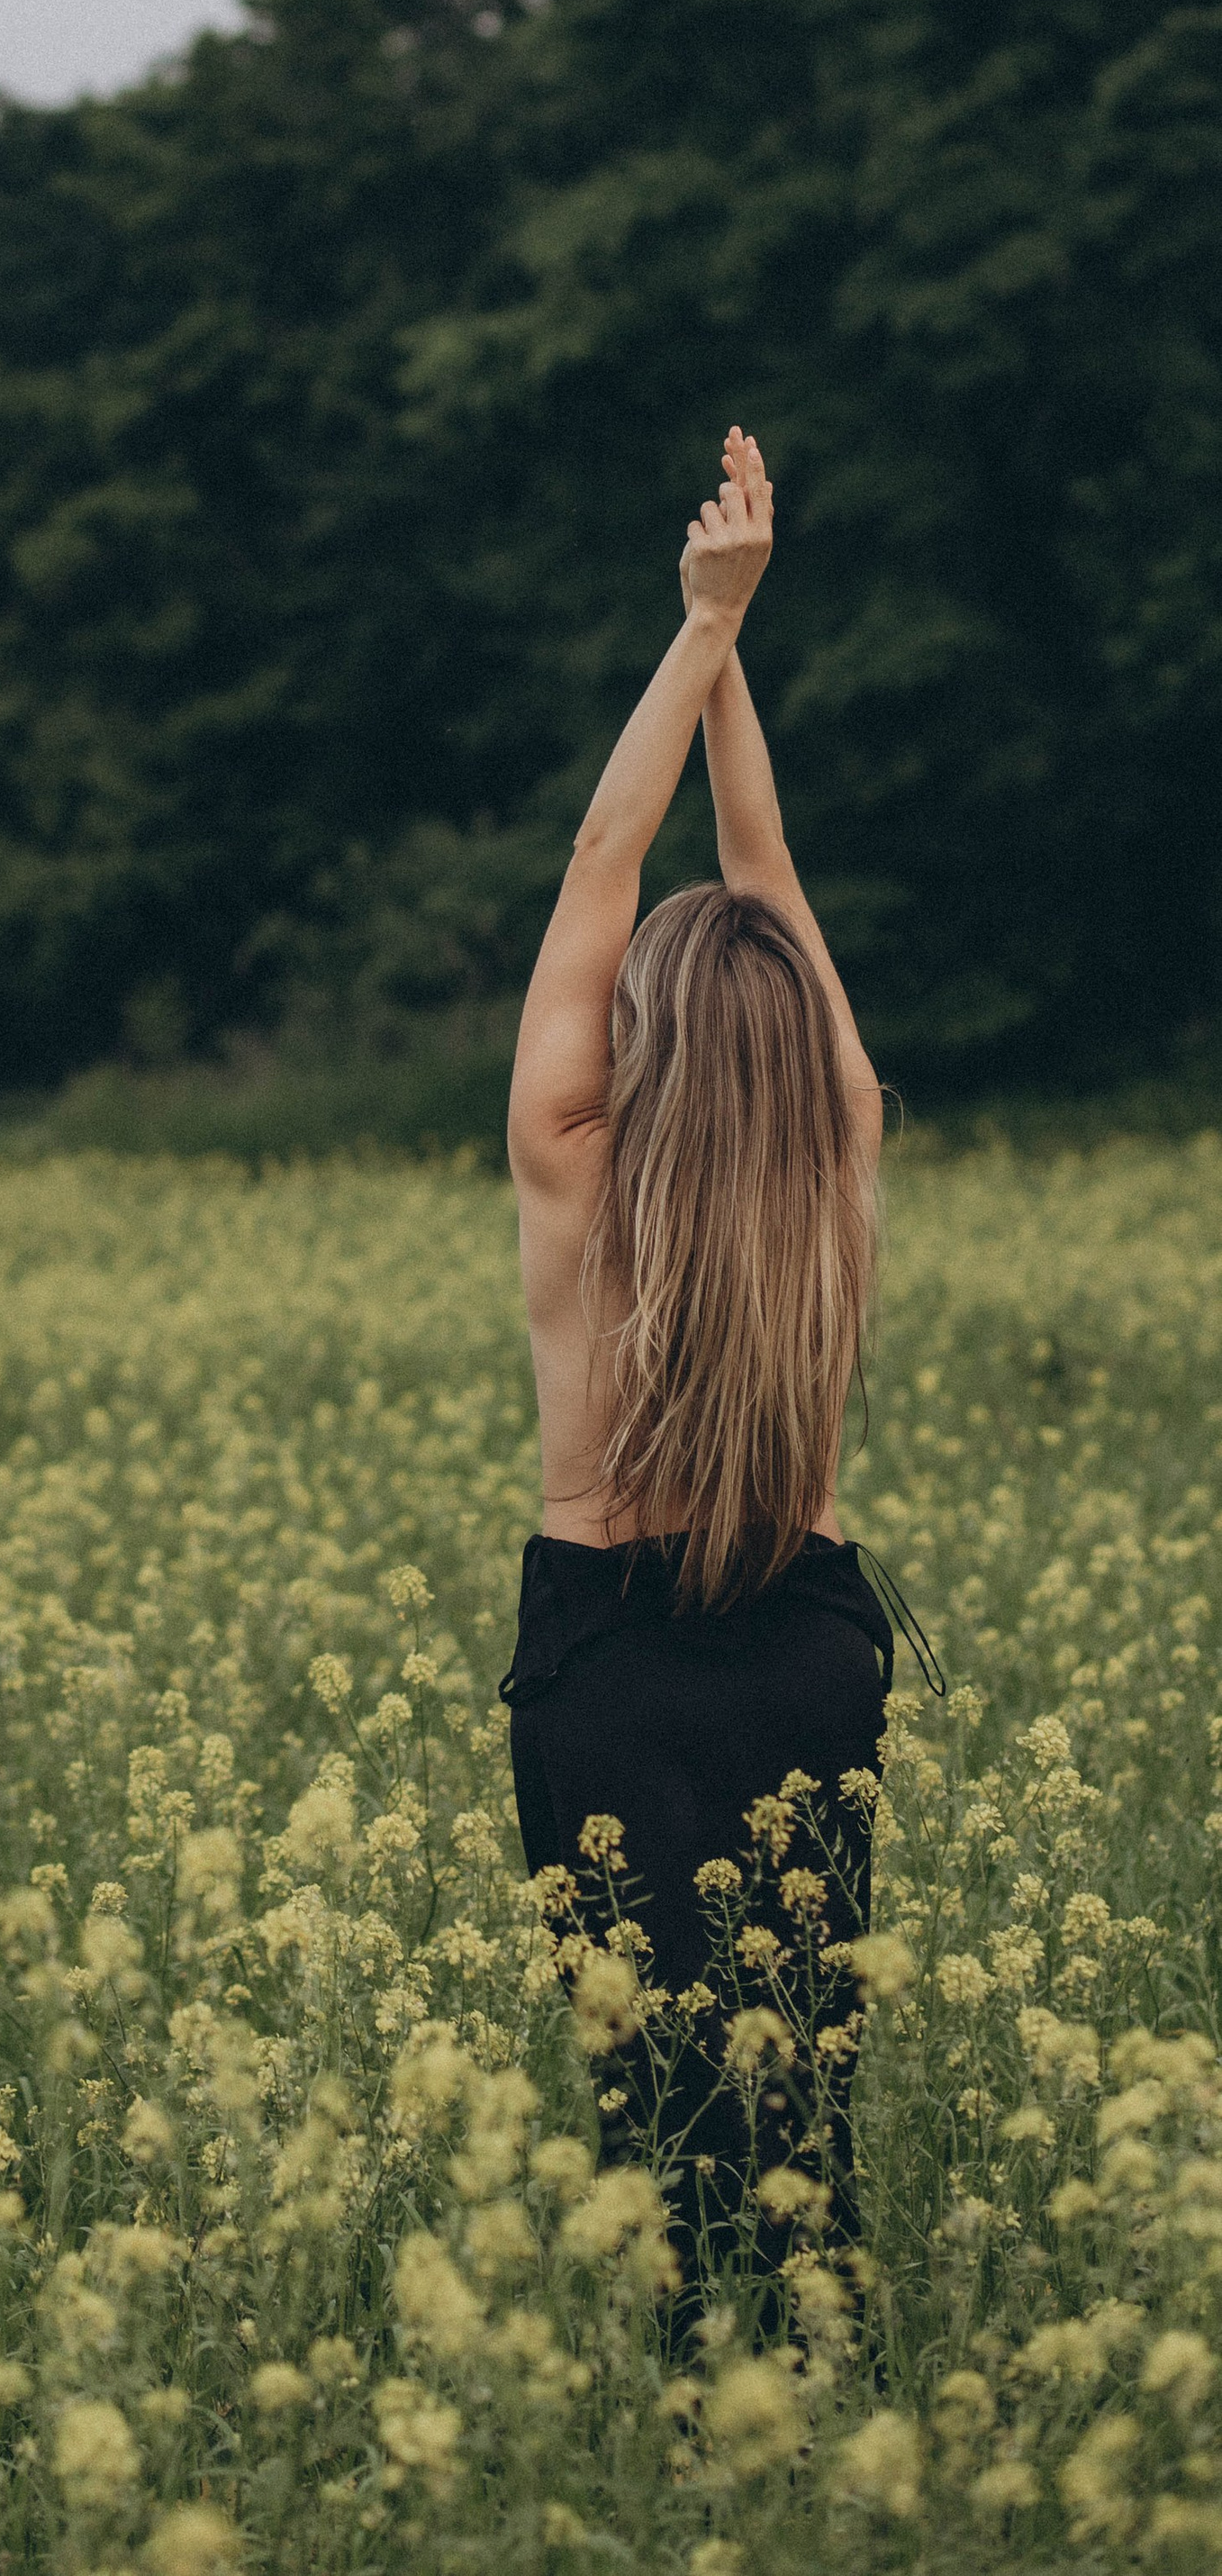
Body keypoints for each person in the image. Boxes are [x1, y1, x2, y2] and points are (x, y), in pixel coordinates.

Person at [501, 426, 899, 2286]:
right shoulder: (835, 1150)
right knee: (798, 2122)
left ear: (639, 1034)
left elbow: (610, 852)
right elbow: (762, 867)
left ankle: (692, 2463)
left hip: (604, 1665)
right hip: (804, 1649)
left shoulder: (572, 1172)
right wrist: (733, 641)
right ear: (795, 1041)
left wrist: (696, 628)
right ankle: (828, 2430)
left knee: (648, 2144)